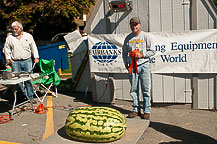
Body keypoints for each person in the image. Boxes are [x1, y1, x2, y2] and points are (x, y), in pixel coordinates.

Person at [122, 17, 155, 119]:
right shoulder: (128, 38)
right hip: (132, 66)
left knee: (146, 89)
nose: (134, 26)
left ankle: (146, 111)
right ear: (130, 26)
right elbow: (124, 52)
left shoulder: (146, 36)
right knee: (134, 89)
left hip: (144, 65)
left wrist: (142, 55)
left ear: (139, 25)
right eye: (132, 24)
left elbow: (152, 51)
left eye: (136, 24)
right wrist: (126, 63)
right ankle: (136, 110)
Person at [4, 21, 39, 104]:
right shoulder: (10, 38)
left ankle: (30, 97)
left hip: (27, 60)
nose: (14, 31)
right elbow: (6, 48)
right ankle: (21, 97)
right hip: (15, 62)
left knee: (28, 79)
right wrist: (9, 59)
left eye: (16, 29)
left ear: (20, 28)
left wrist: (36, 57)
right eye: (13, 29)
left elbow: (33, 46)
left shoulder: (28, 36)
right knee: (18, 81)